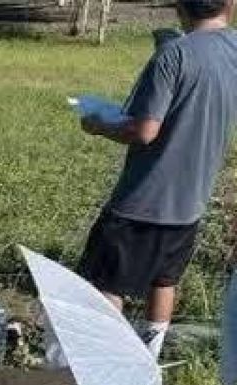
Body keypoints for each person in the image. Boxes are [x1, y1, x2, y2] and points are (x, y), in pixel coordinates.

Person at [77, 0, 237, 357]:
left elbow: (146, 130)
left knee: (106, 283)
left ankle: (107, 360)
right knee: (165, 279)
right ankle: (149, 355)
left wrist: (99, 126)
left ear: (180, 6)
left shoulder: (173, 55)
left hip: (143, 200)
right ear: (229, 5)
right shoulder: (234, 48)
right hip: (191, 199)